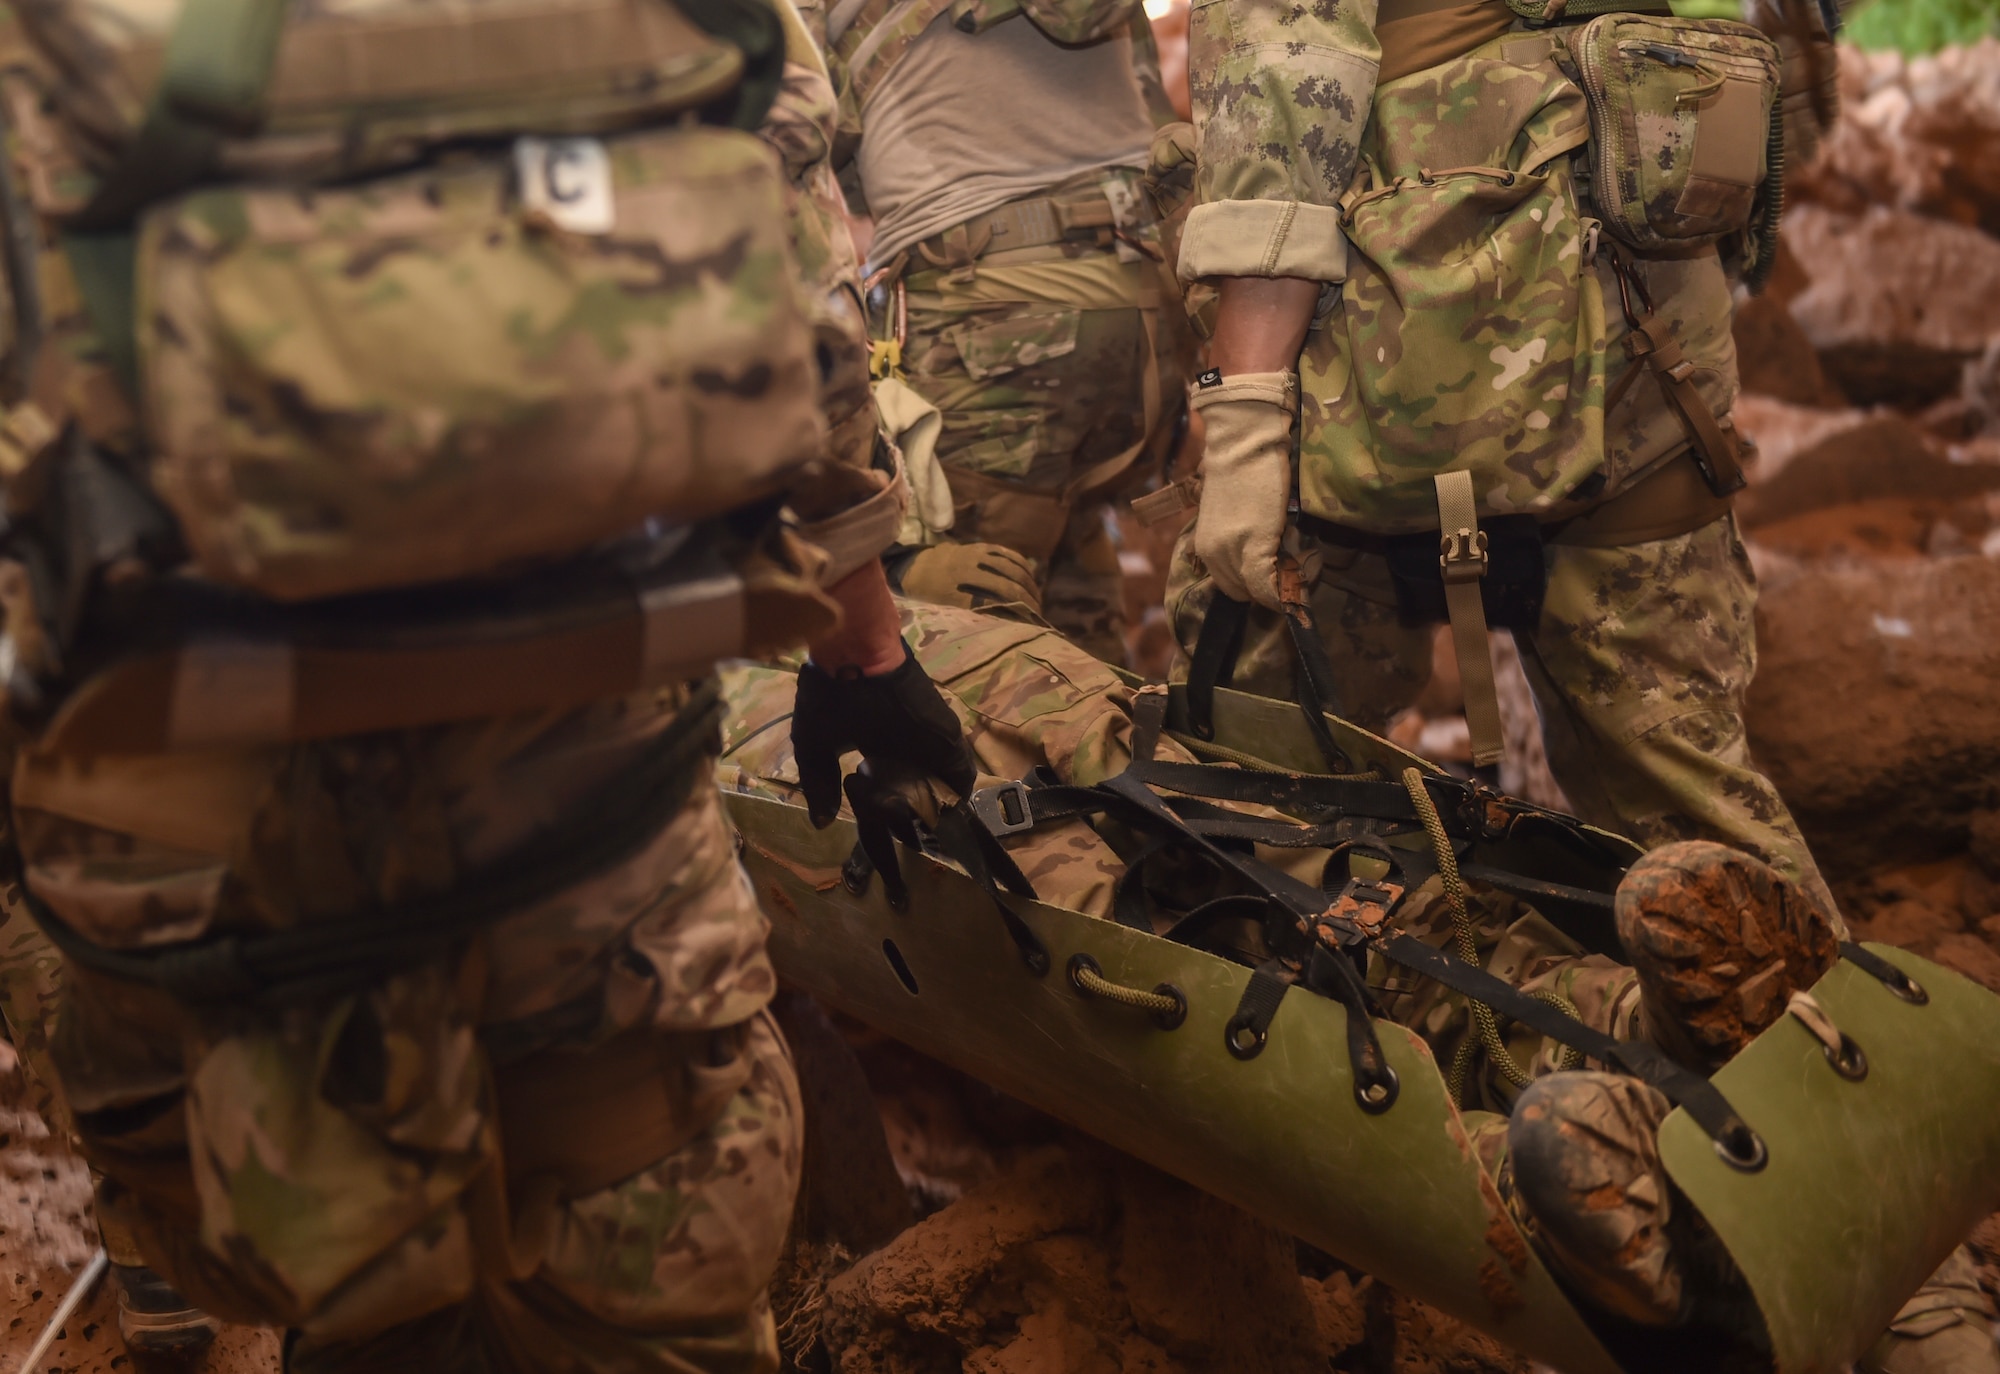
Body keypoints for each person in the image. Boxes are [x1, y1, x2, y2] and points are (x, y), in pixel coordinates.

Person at [0, 0, 975, 1368]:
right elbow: (793, 330)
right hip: (617, 953)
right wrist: (865, 652)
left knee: (356, 1295)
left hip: (244, 1001)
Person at [721, 601, 2000, 1370]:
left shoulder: (631, 691)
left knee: (1227, 977)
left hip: (836, 748)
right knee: (1348, 906)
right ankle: (1615, 1018)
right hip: (1041, 701)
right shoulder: (836, 533)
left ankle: (1525, 1178)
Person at [825, 0, 1194, 663]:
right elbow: (1153, 105)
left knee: (952, 633)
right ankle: (1105, 747)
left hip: (998, 319)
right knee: (1070, 607)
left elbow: (810, 158)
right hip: (1147, 303)